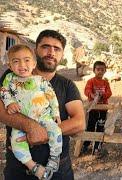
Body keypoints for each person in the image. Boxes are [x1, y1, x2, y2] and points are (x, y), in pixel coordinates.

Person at [0, 29, 85, 180]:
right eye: (45, 46)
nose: (51, 52)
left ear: (62, 55)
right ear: (35, 51)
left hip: (59, 172)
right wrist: (30, 126)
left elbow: (79, 123)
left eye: (57, 49)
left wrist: (43, 133)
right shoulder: (12, 76)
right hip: (19, 171)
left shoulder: (67, 85)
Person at [0, 44, 63, 179]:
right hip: (21, 121)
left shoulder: (41, 80)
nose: (22, 64)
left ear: (34, 64)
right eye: (16, 61)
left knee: (56, 132)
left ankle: (54, 158)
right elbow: (4, 91)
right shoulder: (10, 79)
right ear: (10, 66)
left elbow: (51, 95)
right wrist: (9, 102)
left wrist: (56, 113)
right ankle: (33, 166)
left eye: (27, 60)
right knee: (16, 142)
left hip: (44, 117)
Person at [82, 61, 112, 154]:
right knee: (90, 127)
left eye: (102, 70)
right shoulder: (91, 81)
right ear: (94, 70)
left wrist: (102, 95)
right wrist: (92, 95)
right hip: (93, 109)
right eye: (98, 69)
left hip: (103, 109)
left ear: (105, 71)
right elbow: (87, 90)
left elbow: (109, 93)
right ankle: (86, 145)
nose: (100, 71)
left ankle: (97, 147)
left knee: (100, 127)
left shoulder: (105, 82)